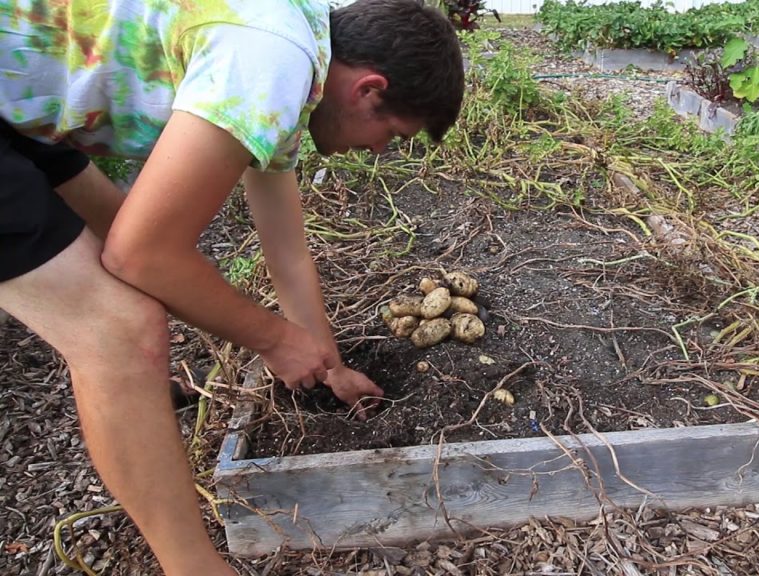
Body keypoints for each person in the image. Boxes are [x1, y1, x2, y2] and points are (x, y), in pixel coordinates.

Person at [0, 0, 465, 573]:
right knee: (120, 330)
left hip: (19, 103)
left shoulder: (295, 56)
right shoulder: (274, 58)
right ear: (369, 89)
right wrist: (274, 340)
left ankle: (134, 400)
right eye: (390, 134)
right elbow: (139, 255)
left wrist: (330, 364)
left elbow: (288, 255)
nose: (377, 152)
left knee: (128, 242)